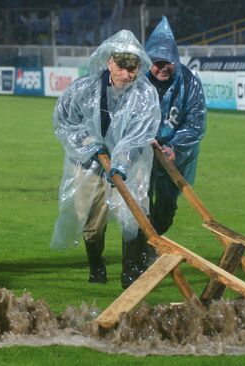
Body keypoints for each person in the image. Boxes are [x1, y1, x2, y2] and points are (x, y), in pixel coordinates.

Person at [50, 29, 161, 289]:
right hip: (87, 163)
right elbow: (65, 121)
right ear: (109, 62)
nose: (126, 75)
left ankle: (130, 272)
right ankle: (96, 266)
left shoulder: (144, 95)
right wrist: (89, 146)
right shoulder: (84, 89)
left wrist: (120, 161)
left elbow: (140, 132)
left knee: (132, 215)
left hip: (130, 164)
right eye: (121, 67)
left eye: (132, 68)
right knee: (91, 219)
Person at [139, 16, 207, 265]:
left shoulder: (189, 82)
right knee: (140, 202)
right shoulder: (137, 82)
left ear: (176, 61)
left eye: (167, 62)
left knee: (166, 208)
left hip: (174, 156)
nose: (162, 67)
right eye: (157, 62)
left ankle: (152, 240)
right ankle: (140, 251)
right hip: (142, 152)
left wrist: (175, 147)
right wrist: (142, 140)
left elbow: (195, 123)